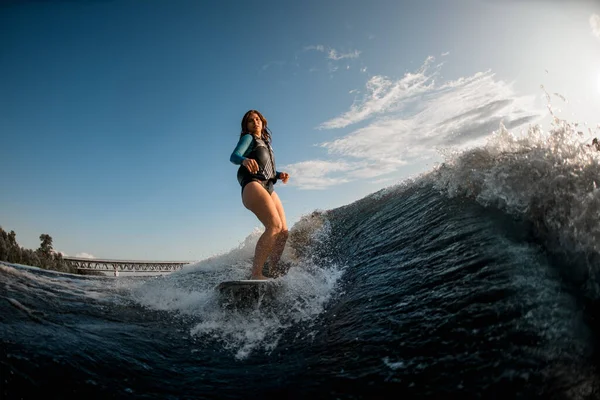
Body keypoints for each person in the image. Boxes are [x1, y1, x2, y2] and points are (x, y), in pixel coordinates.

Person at [230, 110, 290, 280]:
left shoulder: (266, 144)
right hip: (252, 184)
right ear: (246, 125)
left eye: (257, 119)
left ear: (263, 123)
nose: (255, 122)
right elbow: (233, 156)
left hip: (268, 186)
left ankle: (272, 270)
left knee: (284, 232)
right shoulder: (248, 138)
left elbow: (267, 168)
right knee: (274, 226)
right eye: (251, 120)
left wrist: (279, 175)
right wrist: (244, 160)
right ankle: (256, 273)